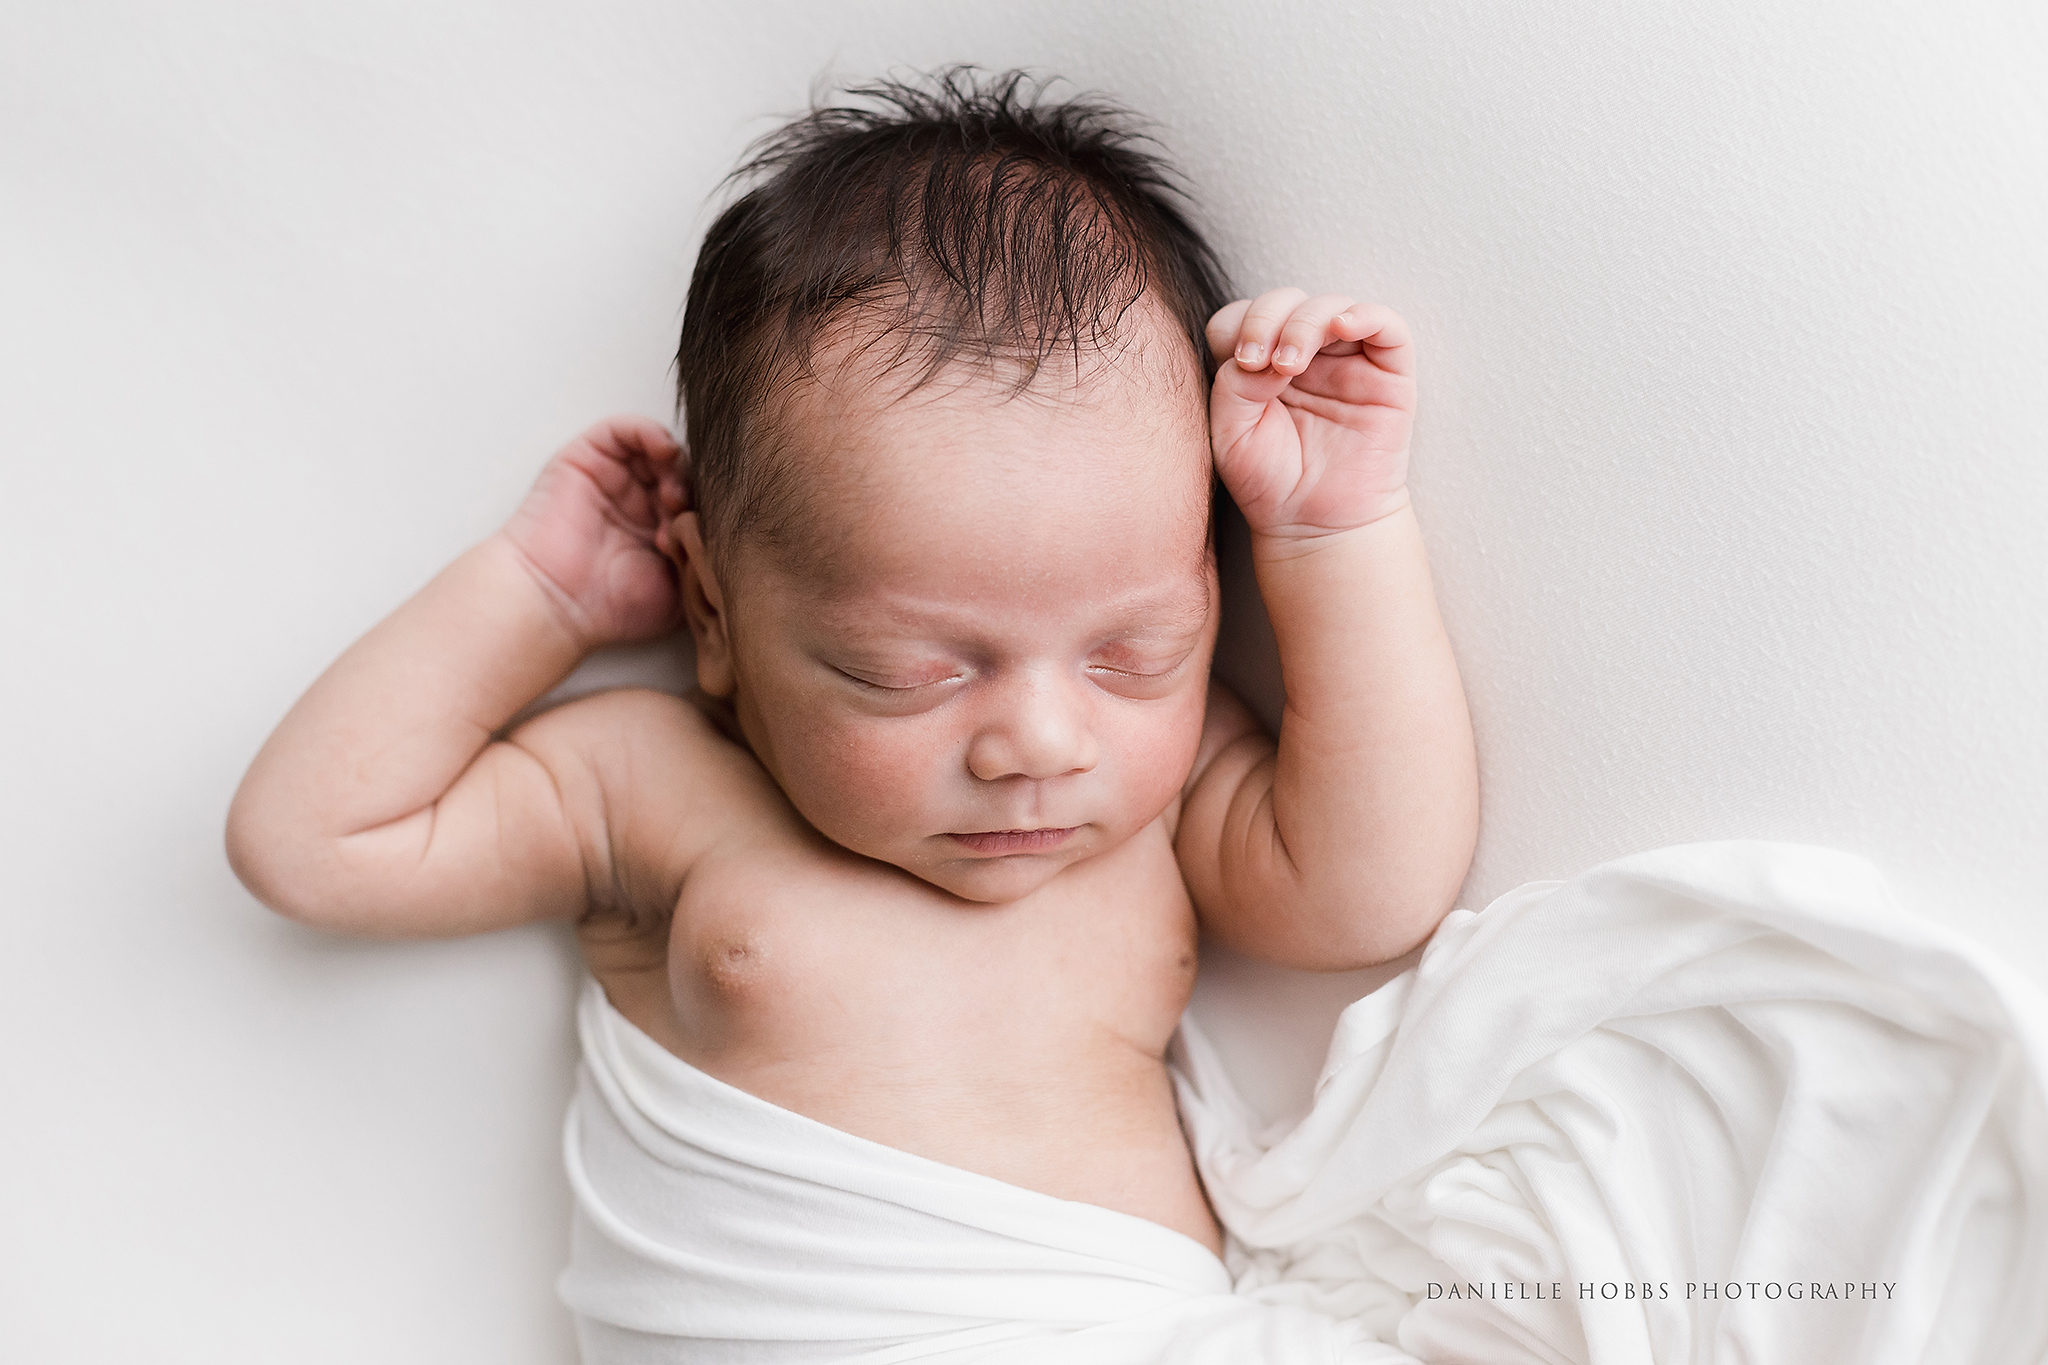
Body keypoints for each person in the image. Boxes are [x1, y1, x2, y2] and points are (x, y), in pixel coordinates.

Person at [226, 67, 1477, 1359]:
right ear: (712, 613)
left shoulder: (1154, 805)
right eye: (914, 672)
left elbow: (1373, 886)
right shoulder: (652, 786)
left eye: (1133, 652)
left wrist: (1334, 533)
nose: (1040, 746)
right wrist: (537, 593)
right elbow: (314, 841)